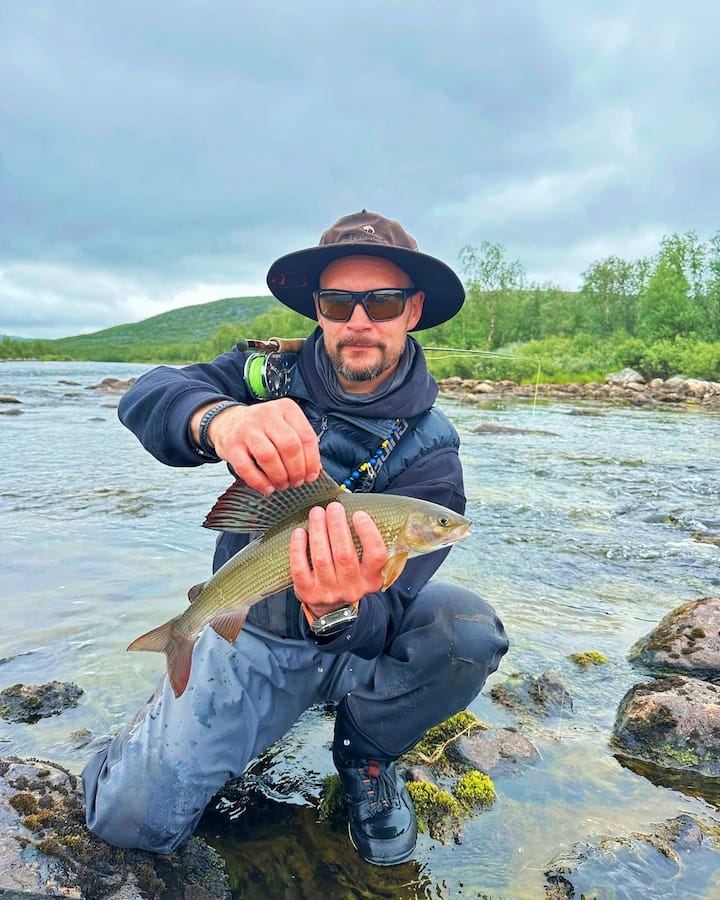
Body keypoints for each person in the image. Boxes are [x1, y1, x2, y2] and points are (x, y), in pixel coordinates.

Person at [82, 210, 509, 867]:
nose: (358, 321)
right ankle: (139, 740)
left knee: (469, 631)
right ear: (318, 308)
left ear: (413, 310)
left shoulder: (433, 455)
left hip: (352, 645)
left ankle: (367, 755)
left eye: (382, 302)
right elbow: (148, 394)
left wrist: (335, 609)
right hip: (251, 633)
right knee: (129, 821)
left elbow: (389, 612)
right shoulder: (265, 376)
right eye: (338, 302)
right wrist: (219, 421)